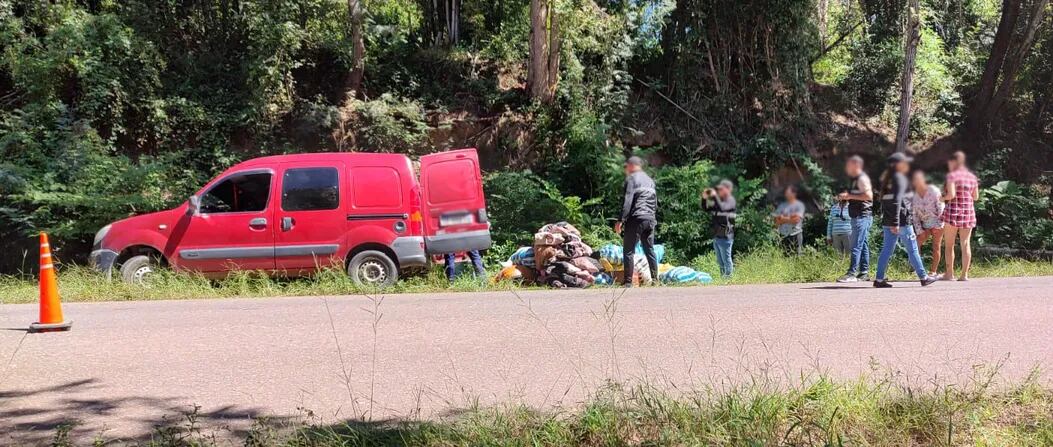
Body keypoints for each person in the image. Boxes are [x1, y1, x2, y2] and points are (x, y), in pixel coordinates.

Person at [873, 153, 938, 288]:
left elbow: (885, 202)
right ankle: (924, 277)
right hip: (901, 221)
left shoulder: (885, 179)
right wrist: (896, 222)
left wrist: (890, 221)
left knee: (886, 250)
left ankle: (879, 279)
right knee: (913, 249)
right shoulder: (899, 178)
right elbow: (897, 201)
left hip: (888, 220)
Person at [614, 156, 658, 287]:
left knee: (628, 251)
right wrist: (652, 217)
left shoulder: (632, 178)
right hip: (650, 218)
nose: (626, 169)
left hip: (637, 218)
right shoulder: (650, 181)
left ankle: (628, 283)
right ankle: (656, 281)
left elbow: (627, 201)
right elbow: (655, 202)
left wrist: (620, 220)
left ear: (632, 166)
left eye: (626, 166)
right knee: (649, 250)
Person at [941, 151, 979, 281]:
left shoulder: (952, 176)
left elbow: (951, 195)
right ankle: (964, 275)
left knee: (949, 244)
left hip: (953, 212)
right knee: (965, 243)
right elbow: (976, 197)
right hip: (968, 212)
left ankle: (949, 274)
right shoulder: (972, 177)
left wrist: (942, 198)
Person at [837, 155, 874, 283]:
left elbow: (869, 196)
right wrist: (845, 198)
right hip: (859, 216)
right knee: (863, 244)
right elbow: (855, 196)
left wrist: (849, 196)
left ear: (856, 166)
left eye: (849, 165)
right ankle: (864, 273)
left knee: (856, 245)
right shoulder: (854, 180)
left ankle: (851, 273)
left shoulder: (862, 178)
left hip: (862, 216)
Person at [911, 170, 945, 276]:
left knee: (936, 246)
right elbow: (915, 215)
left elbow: (941, 207)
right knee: (916, 243)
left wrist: (939, 225)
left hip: (937, 221)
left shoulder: (933, 190)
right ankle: (918, 269)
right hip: (924, 223)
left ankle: (933, 271)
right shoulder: (914, 195)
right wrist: (919, 230)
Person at [703, 179, 736, 277]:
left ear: (728, 189)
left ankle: (729, 279)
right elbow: (705, 209)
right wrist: (704, 198)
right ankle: (722, 280)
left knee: (726, 260)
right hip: (717, 236)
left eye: (721, 189)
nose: (719, 191)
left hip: (726, 236)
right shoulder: (719, 202)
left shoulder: (730, 200)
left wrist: (714, 196)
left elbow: (722, 208)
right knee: (720, 262)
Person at [773, 185, 805, 256]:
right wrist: (790, 218)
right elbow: (776, 221)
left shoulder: (799, 205)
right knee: (785, 256)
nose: (786, 194)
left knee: (797, 256)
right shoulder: (782, 206)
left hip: (795, 234)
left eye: (788, 192)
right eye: (786, 193)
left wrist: (783, 218)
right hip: (783, 235)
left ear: (794, 194)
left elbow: (796, 220)